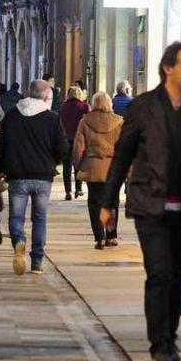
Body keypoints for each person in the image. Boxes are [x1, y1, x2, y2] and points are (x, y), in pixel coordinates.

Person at [100, 42, 181, 361]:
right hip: (150, 204)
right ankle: (160, 346)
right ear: (168, 68)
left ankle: (171, 335)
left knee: (179, 275)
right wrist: (107, 202)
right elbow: (123, 154)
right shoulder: (143, 106)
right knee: (159, 273)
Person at [0, 80, 68, 276]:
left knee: (16, 216)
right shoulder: (52, 118)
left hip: (17, 175)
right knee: (40, 218)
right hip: (43, 176)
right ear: (45, 96)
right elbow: (62, 148)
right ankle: (37, 262)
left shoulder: (12, 116)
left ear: (28, 93)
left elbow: (0, 146)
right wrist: (54, 161)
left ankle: (19, 240)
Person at [73, 91, 123, 249]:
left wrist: (78, 166)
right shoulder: (119, 122)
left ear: (94, 104)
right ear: (109, 104)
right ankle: (111, 235)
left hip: (93, 167)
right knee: (112, 202)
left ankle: (99, 237)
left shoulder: (85, 121)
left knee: (94, 203)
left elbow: (78, 148)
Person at [58, 86, 90, 200]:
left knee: (67, 166)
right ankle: (78, 188)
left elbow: (59, 123)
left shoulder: (62, 107)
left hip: (66, 139)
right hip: (80, 140)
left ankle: (68, 191)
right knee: (79, 164)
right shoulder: (85, 107)